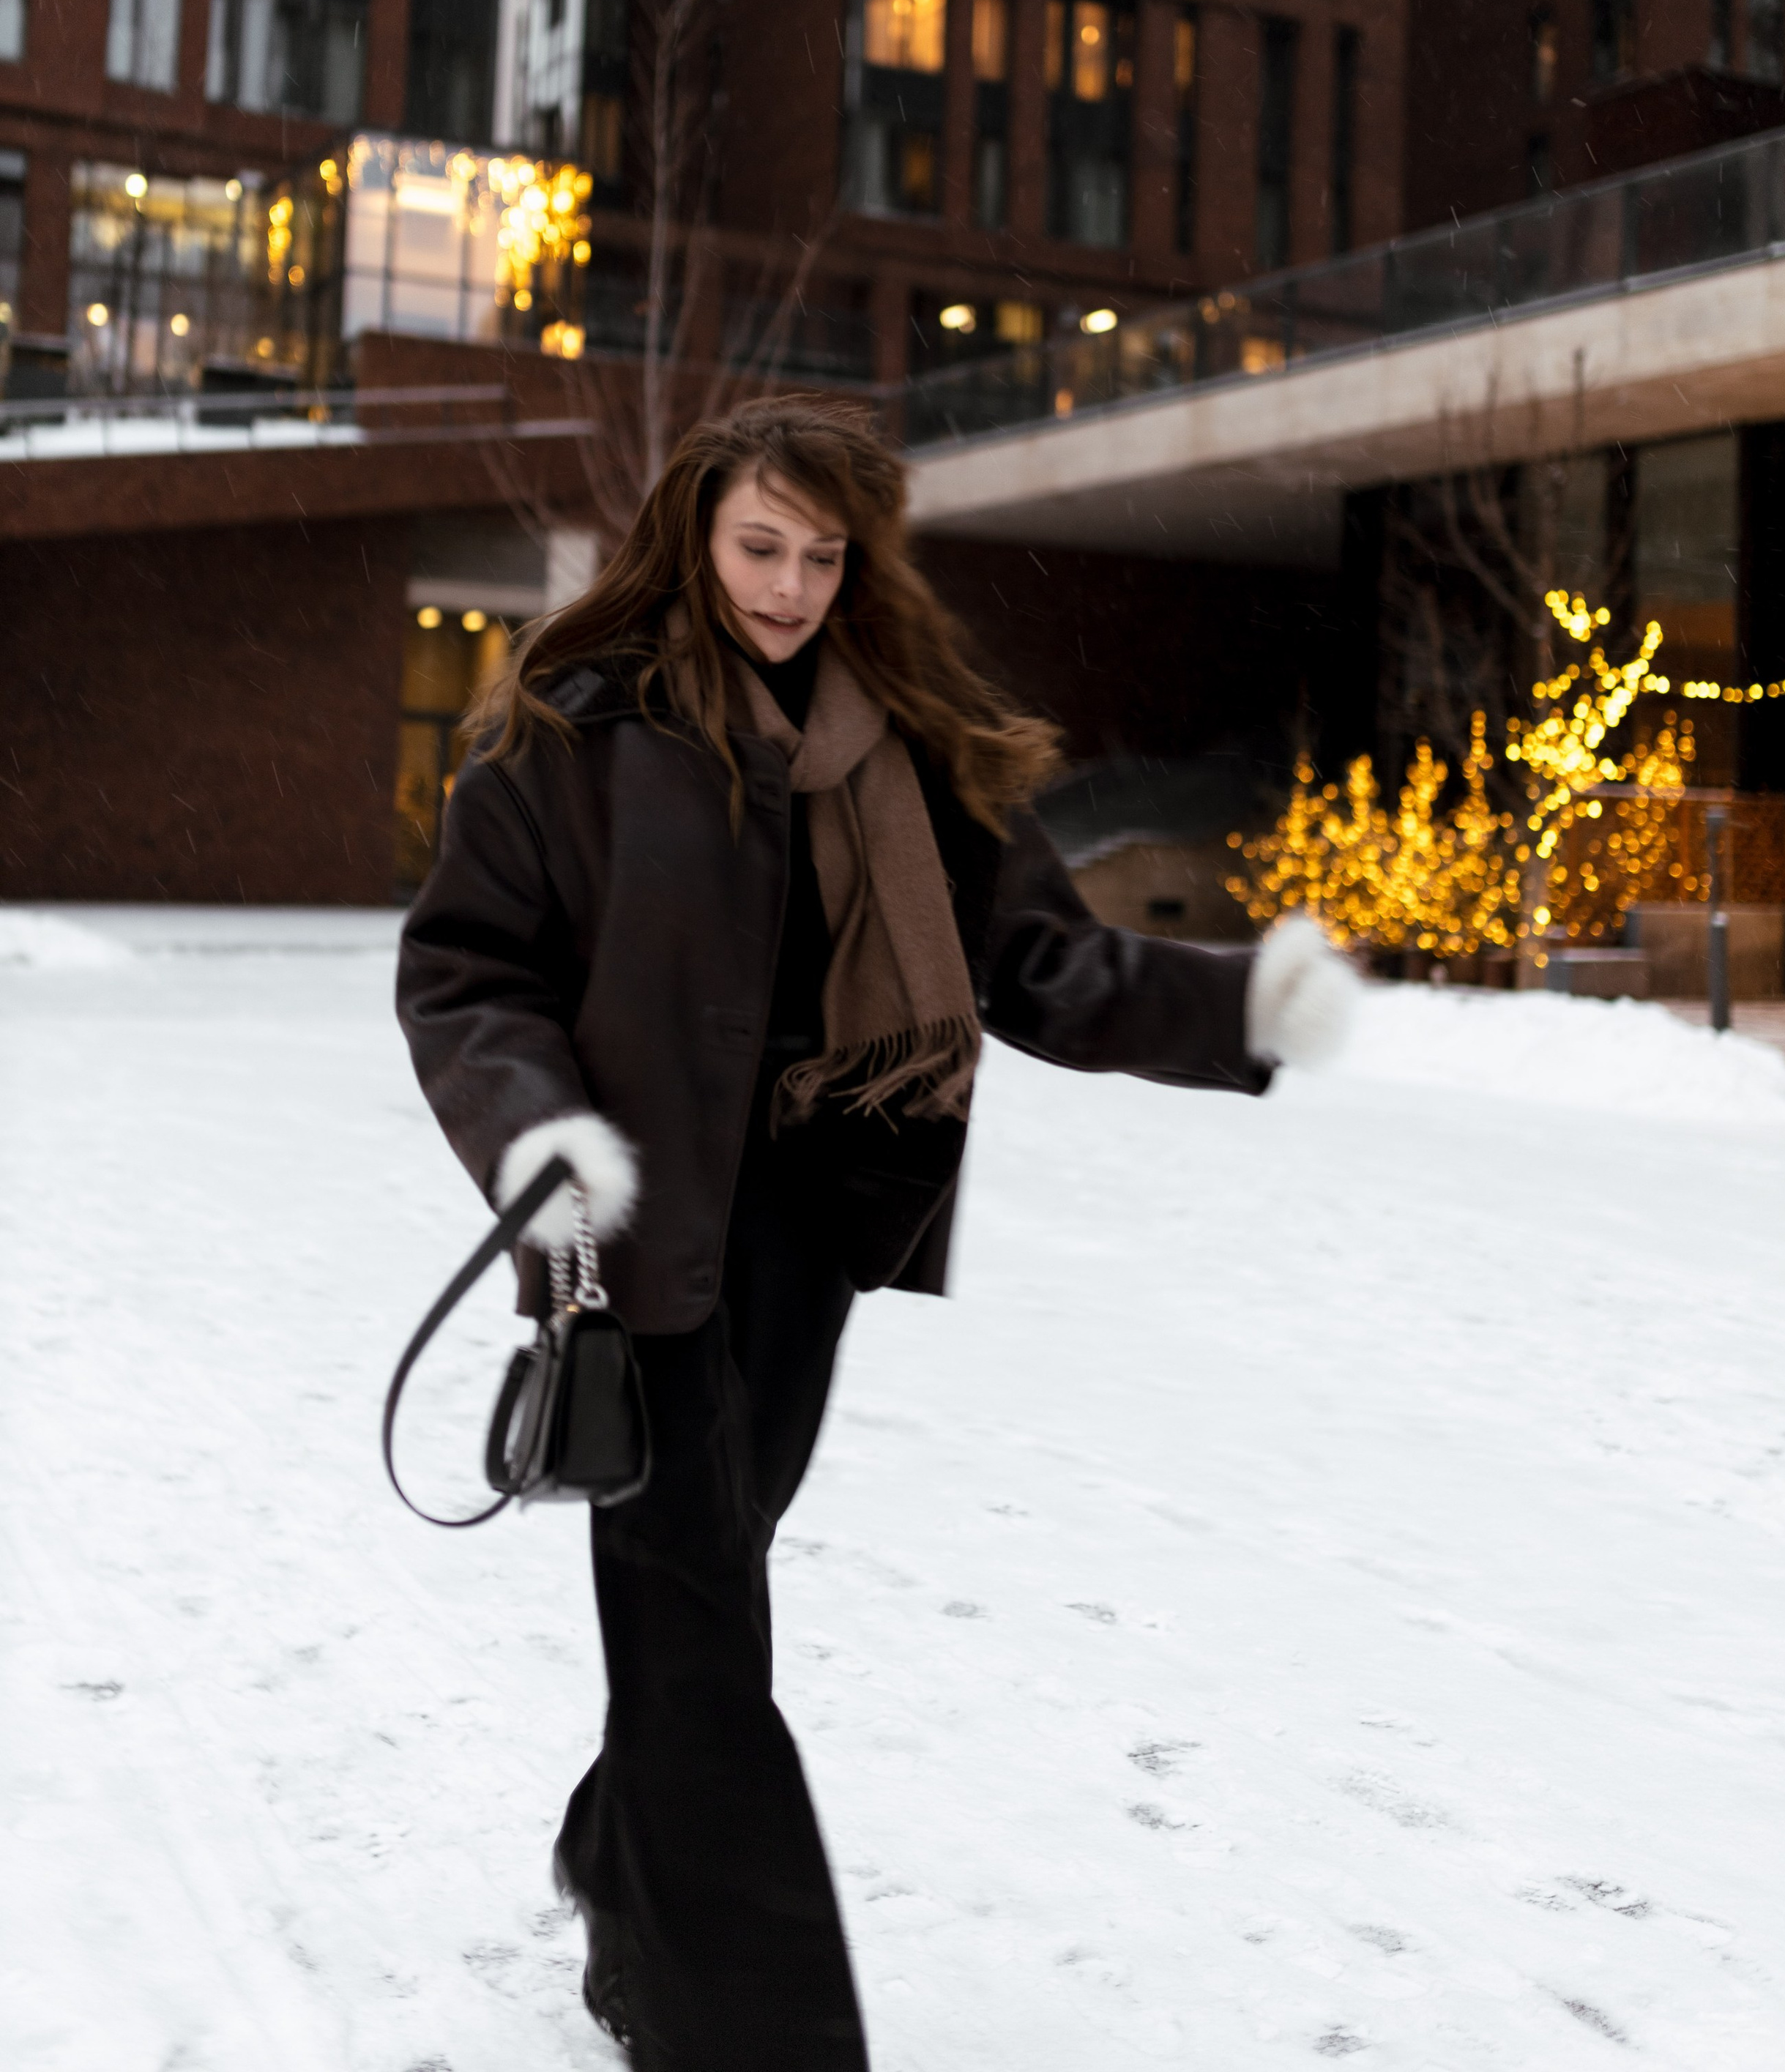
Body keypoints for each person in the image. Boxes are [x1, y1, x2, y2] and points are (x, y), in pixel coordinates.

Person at [396, 395, 1354, 2071]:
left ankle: (624, 1856)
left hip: (815, 1219)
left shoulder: (901, 733)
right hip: (630, 1224)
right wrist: (533, 1140)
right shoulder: (573, 721)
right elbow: (470, 970)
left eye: (822, 557)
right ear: (693, 532)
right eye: (759, 547)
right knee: (692, 1632)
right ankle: (750, 2030)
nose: (786, 589)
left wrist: (1246, 1007)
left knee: (706, 1595)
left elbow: (1039, 965)